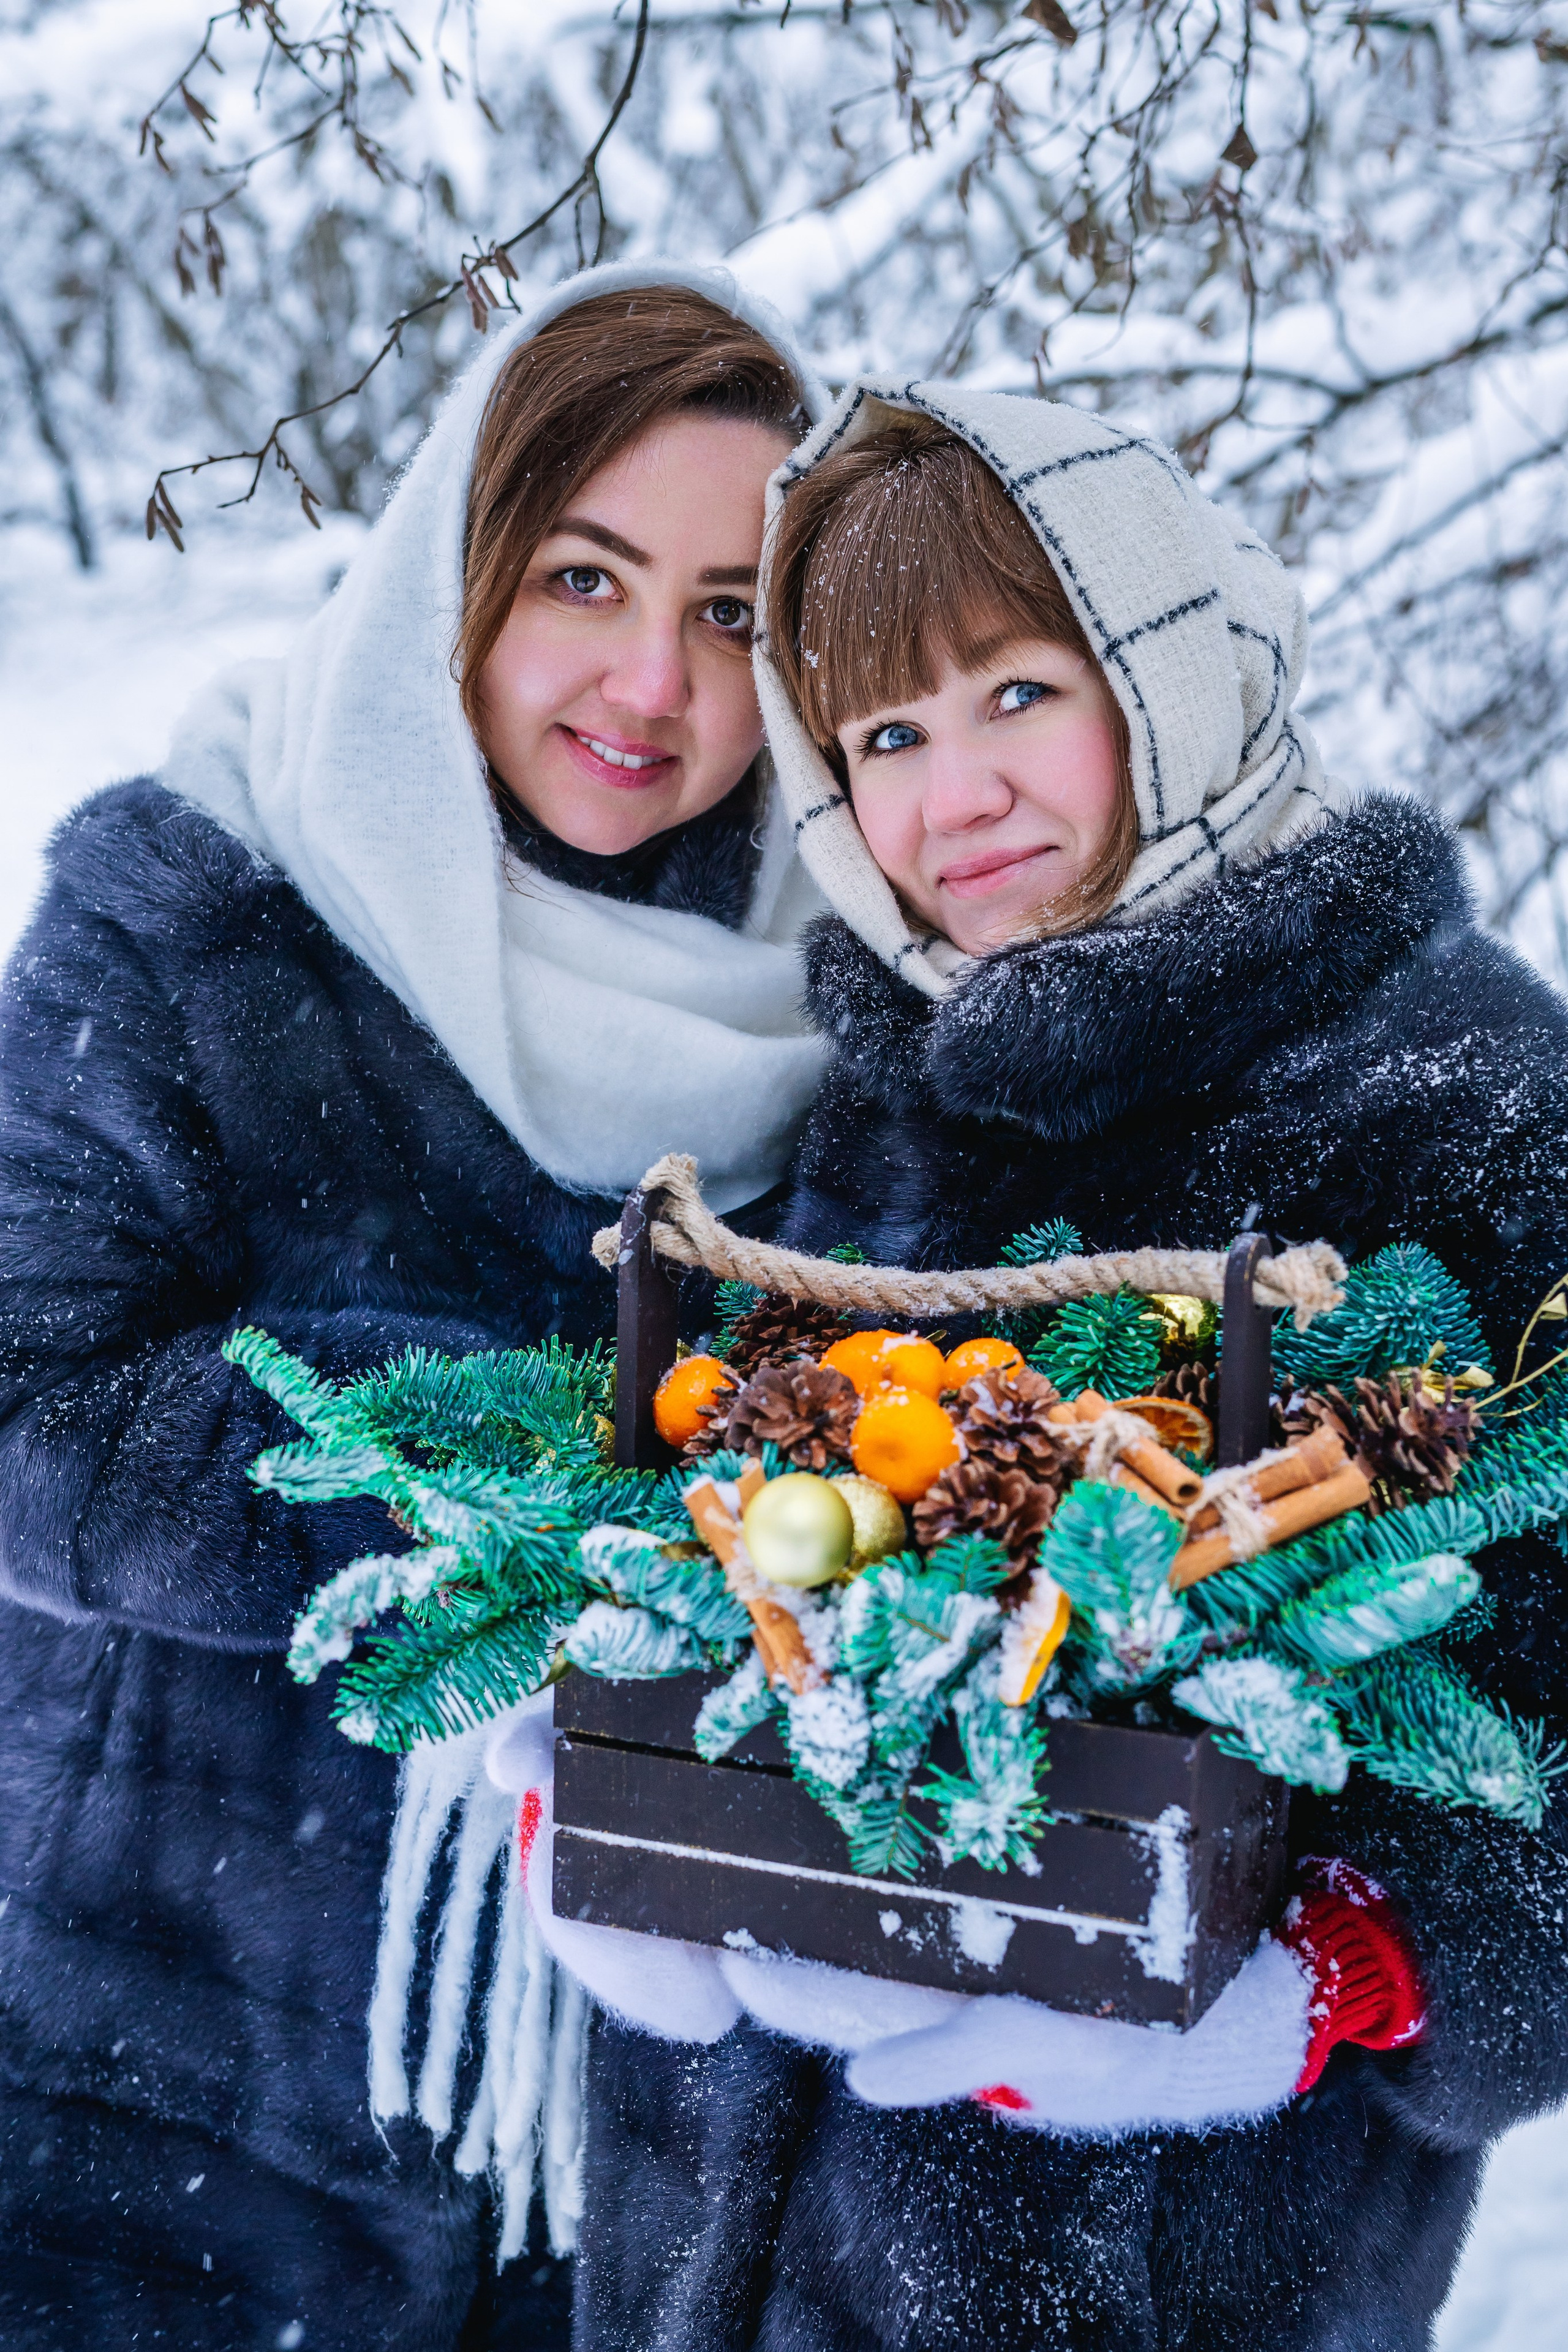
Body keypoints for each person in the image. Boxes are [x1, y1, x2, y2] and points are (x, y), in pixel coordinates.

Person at [568, 392, 1568, 2348]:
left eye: (1019, 694)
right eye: (885, 739)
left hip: (1176, 2275)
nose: (957, 802)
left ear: (1164, 664)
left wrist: (1339, 1982)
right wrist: (611, 1770)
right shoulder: (867, 1108)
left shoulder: (1463, 1101)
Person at [0, 262, 827, 2352]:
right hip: (152, 2092)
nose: (654, 680)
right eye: (582, 575)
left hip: (614, 2145)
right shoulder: (200, 905)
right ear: (458, 563)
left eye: (733, 613)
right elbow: (23, 1401)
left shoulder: (836, 1001)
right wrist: (476, 1464)